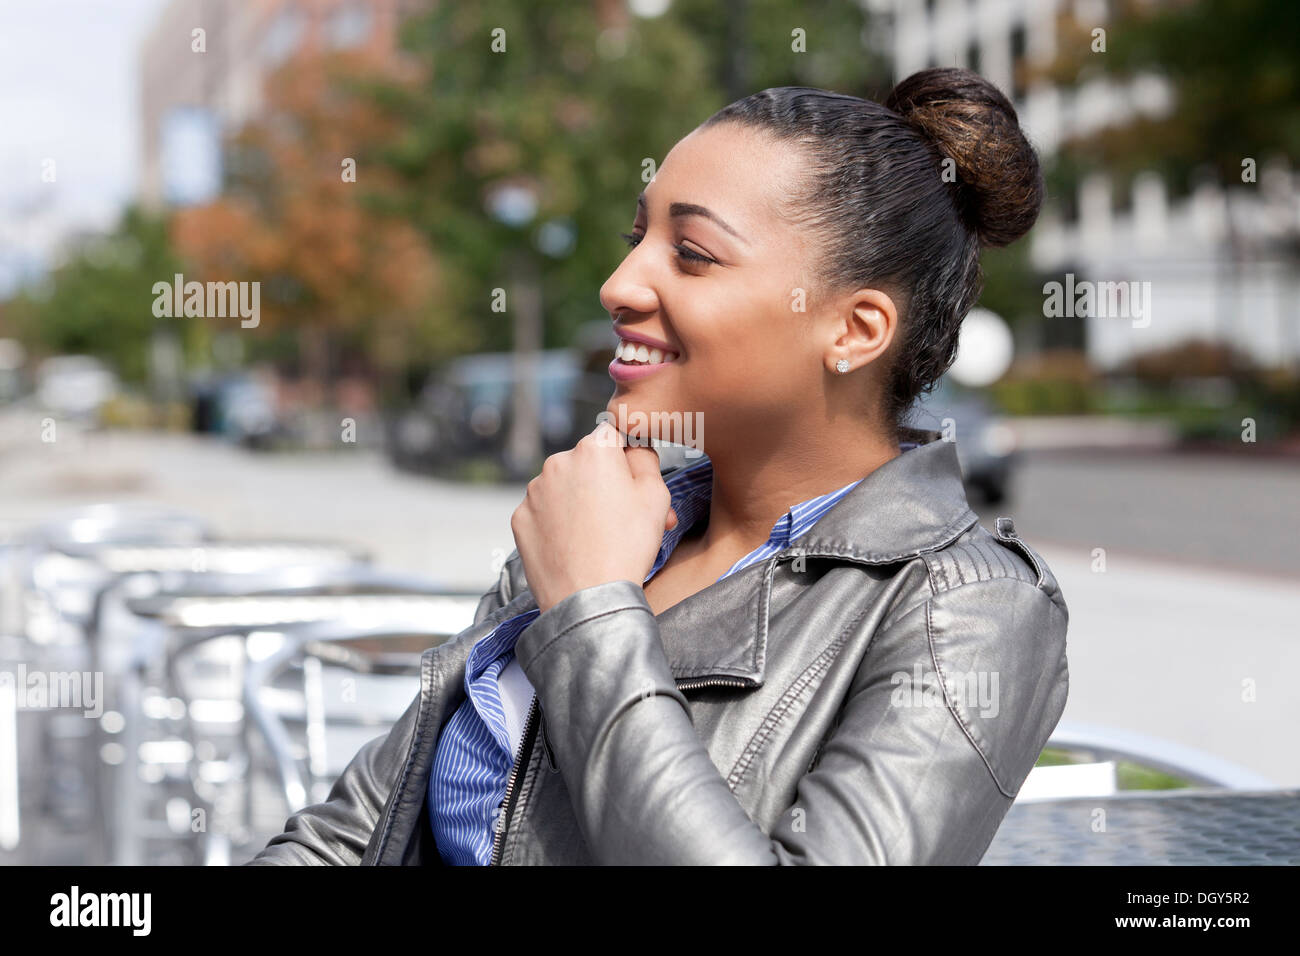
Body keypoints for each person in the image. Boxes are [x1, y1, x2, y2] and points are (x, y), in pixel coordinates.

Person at [248, 67, 1069, 866]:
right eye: (636, 238)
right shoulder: (615, 517)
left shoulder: (967, 610)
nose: (617, 285)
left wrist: (591, 609)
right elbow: (356, 833)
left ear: (854, 331)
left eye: (694, 254)